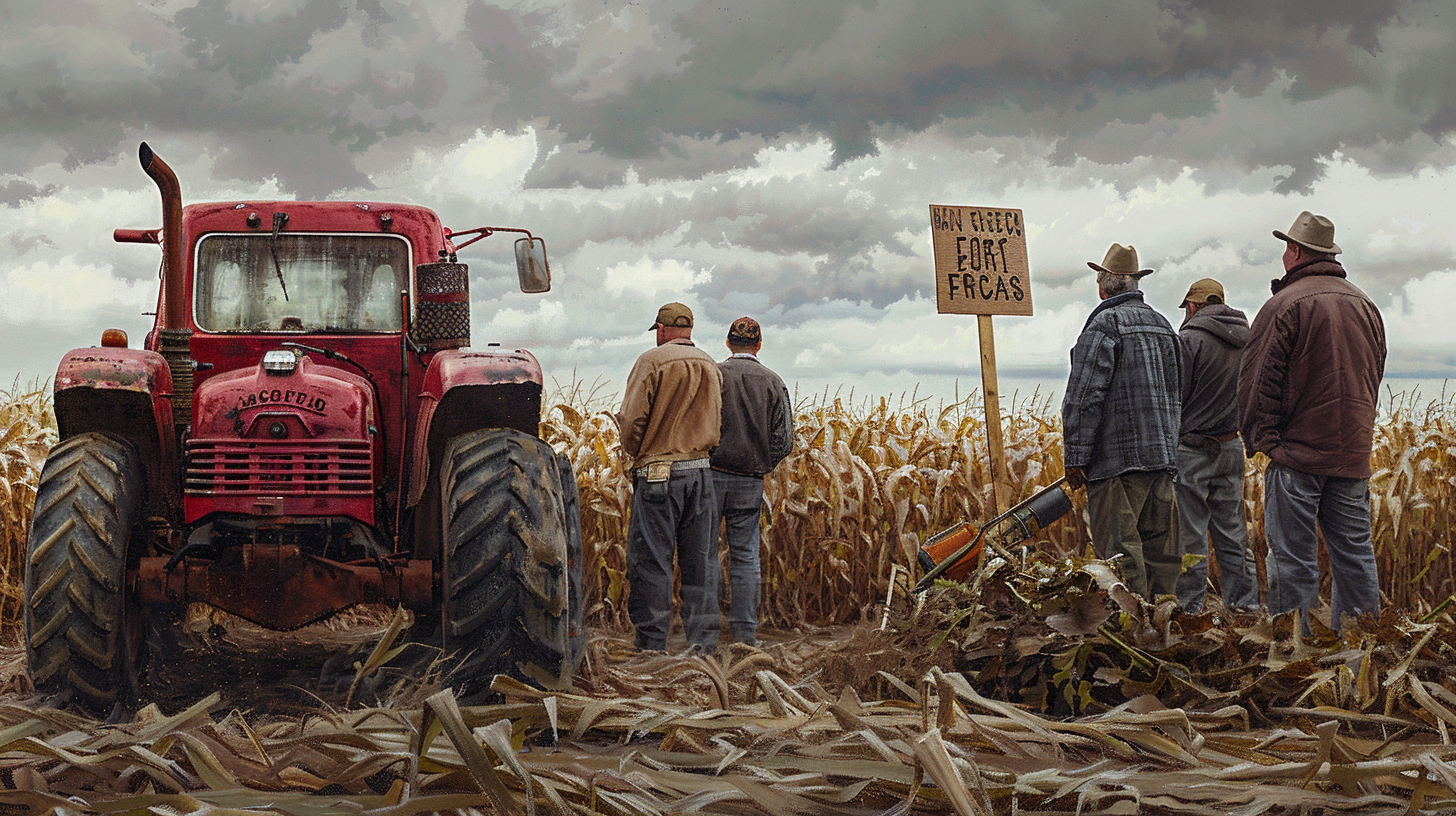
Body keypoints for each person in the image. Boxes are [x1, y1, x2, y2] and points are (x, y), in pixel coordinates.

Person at [1239, 212, 1386, 630]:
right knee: (1355, 556)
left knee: (1292, 560)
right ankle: (1363, 646)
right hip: (1351, 456)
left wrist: (1263, 441)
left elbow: (1257, 382)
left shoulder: (1285, 304)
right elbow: (1373, 375)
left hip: (1297, 456)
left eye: (1286, 247)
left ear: (1296, 251)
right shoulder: (1366, 305)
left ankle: (1294, 646)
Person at [1062, 243, 1183, 600]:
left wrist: (1076, 459)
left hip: (1115, 466)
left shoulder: (1105, 325)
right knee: (1162, 560)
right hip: (1162, 461)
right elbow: (1179, 392)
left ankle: (1133, 629)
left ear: (1103, 286)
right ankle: (1165, 624)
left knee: (1121, 560)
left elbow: (1083, 398)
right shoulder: (1163, 325)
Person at [616, 302, 723, 653]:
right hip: (701, 473)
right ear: (689, 330)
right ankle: (703, 648)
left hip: (658, 474)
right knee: (700, 563)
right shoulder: (710, 364)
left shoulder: (651, 362)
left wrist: (638, 451)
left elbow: (632, 421)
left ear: (661, 330)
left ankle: (652, 647)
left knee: (652, 562)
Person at [1172, 278, 1261, 613]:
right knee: (1233, 533)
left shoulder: (1189, 340)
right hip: (1231, 446)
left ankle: (1191, 609)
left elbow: (1175, 396)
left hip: (1192, 450)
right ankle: (1245, 609)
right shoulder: (1248, 339)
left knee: (1190, 536)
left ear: (1193, 306)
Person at [709, 317, 795, 647]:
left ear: (728, 342)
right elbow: (785, 440)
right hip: (750, 480)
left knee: (706, 552)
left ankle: (707, 633)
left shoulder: (714, 375)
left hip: (712, 475)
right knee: (745, 555)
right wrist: (762, 462)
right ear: (759, 345)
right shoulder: (773, 382)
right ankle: (744, 634)